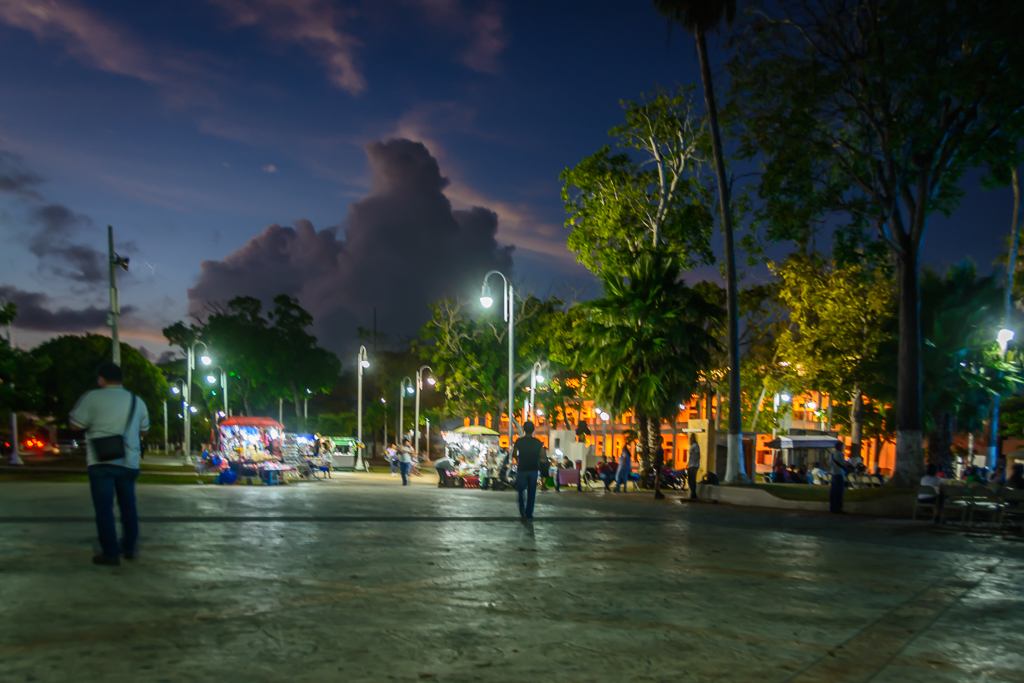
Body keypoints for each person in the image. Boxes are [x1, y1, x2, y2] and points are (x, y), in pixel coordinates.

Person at [69, 362, 150, 566]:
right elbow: (144, 430)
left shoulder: (92, 397)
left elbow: (75, 424)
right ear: (121, 379)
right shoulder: (136, 400)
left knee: (104, 509)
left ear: (101, 379)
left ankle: (110, 553)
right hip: (129, 462)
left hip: (100, 462)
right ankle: (129, 548)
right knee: (128, 506)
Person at [511, 421, 545, 521]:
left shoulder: (519, 441)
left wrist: (518, 459)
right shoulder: (538, 442)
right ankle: (529, 514)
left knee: (521, 490)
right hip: (533, 469)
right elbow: (542, 456)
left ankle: (522, 507)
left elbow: (514, 454)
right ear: (533, 430)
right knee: (532, 492)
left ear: (524, 429)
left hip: (522, 469)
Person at [829, 442, 851, 514]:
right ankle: (838, 508)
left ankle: (832, 508)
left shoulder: (831, 455)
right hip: (839, 474)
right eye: (843, 446)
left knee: (833, 492)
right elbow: (843, 464)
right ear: (840, 447)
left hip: (833, 474)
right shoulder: (840, 454)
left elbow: (830, 464)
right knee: (839, 492)